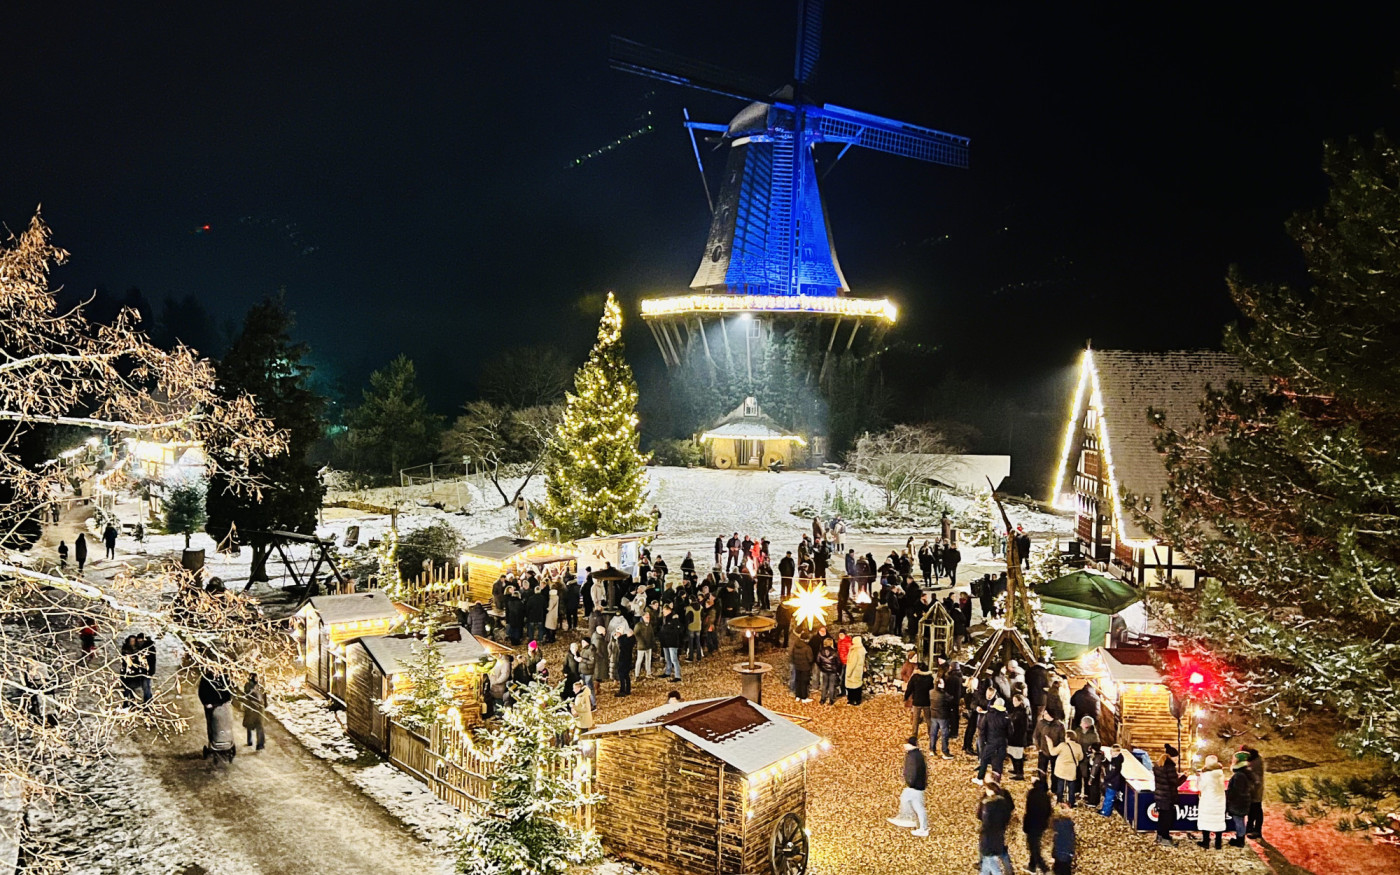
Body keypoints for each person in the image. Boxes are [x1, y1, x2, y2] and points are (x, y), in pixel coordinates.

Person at [888, 737, 929, 837]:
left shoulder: (913, 756)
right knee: (912, 803)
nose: (904, 746)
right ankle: (910, 819)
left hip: (915, 785)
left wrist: (911, 782)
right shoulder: (916, 754)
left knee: (915, 805)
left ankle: (913, 821)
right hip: (917, 785)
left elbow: (913, 771)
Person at [977, 779, 1015, 874]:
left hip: (989, 839)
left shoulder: (987, 805)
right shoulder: (1003, 801)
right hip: (999, 834)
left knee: (992, 863)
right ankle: (1009, 871)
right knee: (987, 863)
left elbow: (983, 819)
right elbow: (1008, 814)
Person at [1153, 743, 1186, 845]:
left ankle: (1159, 836)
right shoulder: (1170, 766)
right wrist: (1184, 777)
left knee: (1161, 817)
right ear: (1172, 757)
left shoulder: (1159, 765)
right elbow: (1174, 783)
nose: (1177, 760)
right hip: (1168, 797)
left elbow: (1165, 779)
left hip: (1160, 796)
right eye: (1176, 758)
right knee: (1167, 819)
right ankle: (1165, 838)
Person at [1023, 773, 1054, 873]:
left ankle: (1043, 867)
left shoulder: (1032, 794)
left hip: (1032, 823)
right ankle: (1032, 866)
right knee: (1034, 844)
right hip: (1041, 823)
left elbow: (1029, 809)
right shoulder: (1046, 797)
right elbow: (1049, 812)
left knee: (1033, 846)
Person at [976, 699, 1010, 784]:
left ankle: (980, 777)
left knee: (984, 758)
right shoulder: (1006, 717)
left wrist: (983, 740)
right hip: (1002, 742)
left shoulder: (988, 715)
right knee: (999, 761)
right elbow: (1010, 731)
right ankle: (997, 781)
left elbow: (982, 728)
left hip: (991, 741)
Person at [1196, 754, 1227, 850]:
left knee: (1206, 820)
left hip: (1208, 800)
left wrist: (1199, 777)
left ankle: (1206, 842)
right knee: (1219, 820)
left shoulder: (1206, 775)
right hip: (1220, 800)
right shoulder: (1220, 774)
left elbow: (1200, 787)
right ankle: (1218, 843)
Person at [1226, 751, 1256, 846]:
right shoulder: (1245, 772)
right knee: (1240, 820)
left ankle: (1240, 840)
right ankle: (1240, 838)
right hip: (1242, 801)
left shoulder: (1240, 775)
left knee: (1239, 821)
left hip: (1238, 802)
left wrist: (1229, 797)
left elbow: (1237, 790)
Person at [1050, 729, 1084, 806]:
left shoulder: (1063, 745)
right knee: (1071, 786)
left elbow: (1053, 752)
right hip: (1071, 769)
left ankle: (1059, 800)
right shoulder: (1078, 746)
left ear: (1068, 737)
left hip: (1061, 768)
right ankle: (1071, 802)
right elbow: (1081, 757)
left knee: (1060, 784)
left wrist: (1050, 743)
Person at [904, 661, 935, 744]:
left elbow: (909, 688)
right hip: (927, 701)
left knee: (915, 719)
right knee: (928, 719)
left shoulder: (915, 677)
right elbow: (932, 689)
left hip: (917, 701)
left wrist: (906, 697)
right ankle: (931, 734)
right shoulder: (930, 678)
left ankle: (914, 735)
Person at [1241, 746, 1265, 839]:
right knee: (1252, 809)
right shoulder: (1255, 759)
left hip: (1255, 789)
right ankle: (1250, 827)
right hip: (1254, 789)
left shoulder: (1255, 763)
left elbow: (1255, 777)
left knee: (1257, 809)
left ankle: (1257, 830)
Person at [1007, 692, 1030, 780]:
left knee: (1018, 756)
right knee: (1013, 755)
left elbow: (1023, 727)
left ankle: (1020, 773)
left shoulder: (1022, 713)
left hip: (1018, 738)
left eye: (1015, 700)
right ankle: (1016, 770)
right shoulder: (1016, 710)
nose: (1014, 702)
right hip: (1013, 737)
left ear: (1020, 701)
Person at [658, 604, 683, 682]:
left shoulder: (674, 619)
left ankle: (677, 676)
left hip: (672, 643)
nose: (663, 612)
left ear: (669, 610)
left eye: (664, 610)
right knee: (667, 659)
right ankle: (667, 672)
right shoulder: (665, 619)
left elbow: (679, 629)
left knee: (674, 660)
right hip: (665, 643)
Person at [1099, 744, 1126, 816]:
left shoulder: (1116, 762)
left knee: (1109, 798)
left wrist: (1106, 778)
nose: (1110, 752)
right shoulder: (1114, 759)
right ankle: (1104, 810)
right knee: (1108, 797)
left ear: (1117, 752)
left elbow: (1113, 772)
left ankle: (1106, 813)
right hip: (1111, 781)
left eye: (1112, 751)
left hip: (1113, 782)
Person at [241, 673, 266, 749]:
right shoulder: (248, 685)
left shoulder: (260, 686)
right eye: (255, 677)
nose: (257, 679)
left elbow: (264, 695)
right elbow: (247, 695)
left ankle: (260, 744)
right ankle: (249, 740)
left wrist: (265, 704)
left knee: (259, 726)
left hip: (259, 708)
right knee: (250, 725)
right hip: (251, 708)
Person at [1051, 802, 1077, 874]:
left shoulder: (1055, 824)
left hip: (1058, 854)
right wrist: (1071, 853)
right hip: (1066, 855)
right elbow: (1071, 840)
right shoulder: (1069, 824)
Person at [816, 638, 842, 706]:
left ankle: (822, 699)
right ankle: (831, 700)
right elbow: (838, 662)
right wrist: (836, 669)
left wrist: (822, 668)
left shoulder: (821, 651)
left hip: (824, 670)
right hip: (832, 670)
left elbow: (818, 661)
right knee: (831, 685)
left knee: (824, 685)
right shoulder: (834, 652)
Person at [789, 635, 815, 703]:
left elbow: (792, 656)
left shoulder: (795, 646)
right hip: (805, 667)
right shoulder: (807, 648)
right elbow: (810, 659)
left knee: (798, 681)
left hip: (797, 666)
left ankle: (798, 696)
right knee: (804, 682)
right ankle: (804, 697)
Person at [844, 635, 865, 705]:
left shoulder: (855, 651)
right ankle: (857, 699)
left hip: (853, 671)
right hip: (859, 670)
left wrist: (848, 673)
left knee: (852, 686)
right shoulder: (862, 649)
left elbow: (852, 663)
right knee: (858, 685)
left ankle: (852, 699)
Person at [614, 628, 634, 697]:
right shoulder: (629, 640)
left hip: (624, 659)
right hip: (627, 659)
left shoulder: (625, 641)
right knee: (626, 675)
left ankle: (623, 690)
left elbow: (623, 647)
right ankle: (627, 690)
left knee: (622, 674)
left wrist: (619, 638)